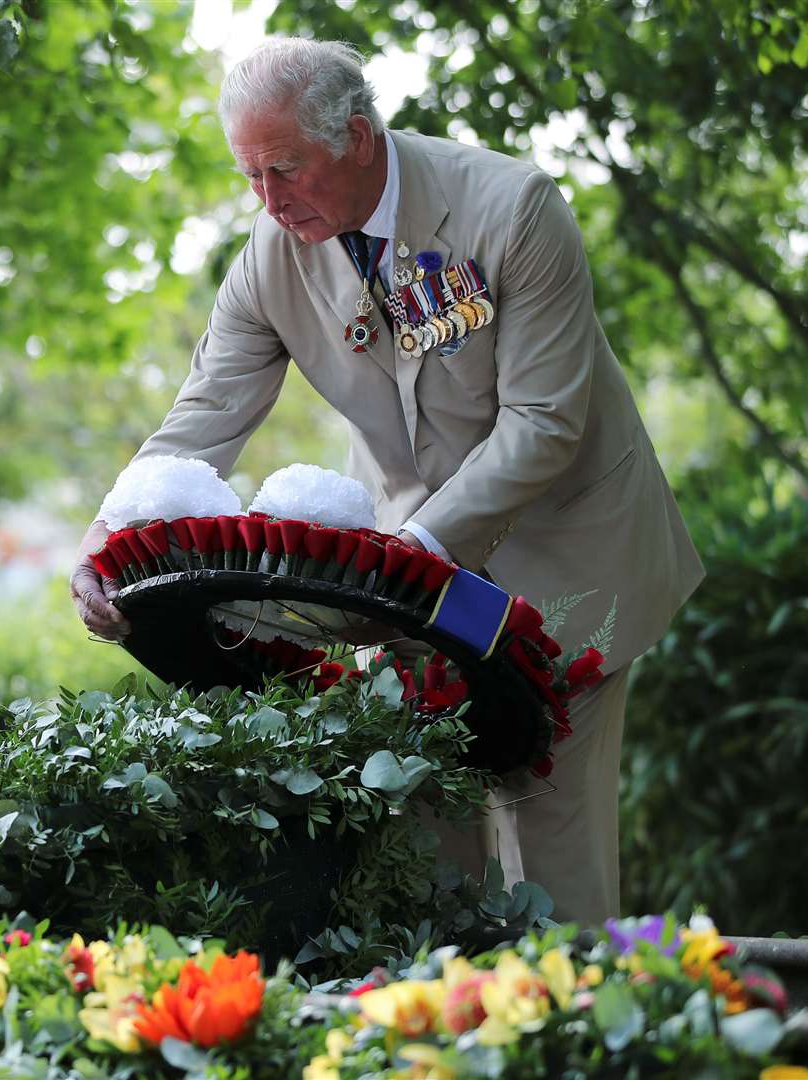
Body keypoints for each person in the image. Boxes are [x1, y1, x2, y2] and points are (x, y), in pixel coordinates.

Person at [69, 38, 703, 925]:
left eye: (284, 168)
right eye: (249, 174)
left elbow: (543, 425)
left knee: (548, 852)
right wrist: (106, 546)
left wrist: (408, 564)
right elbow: (201, 417)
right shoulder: (269, 251)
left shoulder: (513, 208)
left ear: (359, 137)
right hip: (406, 580)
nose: (267, 199)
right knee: (422, 843)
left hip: (569, 559)